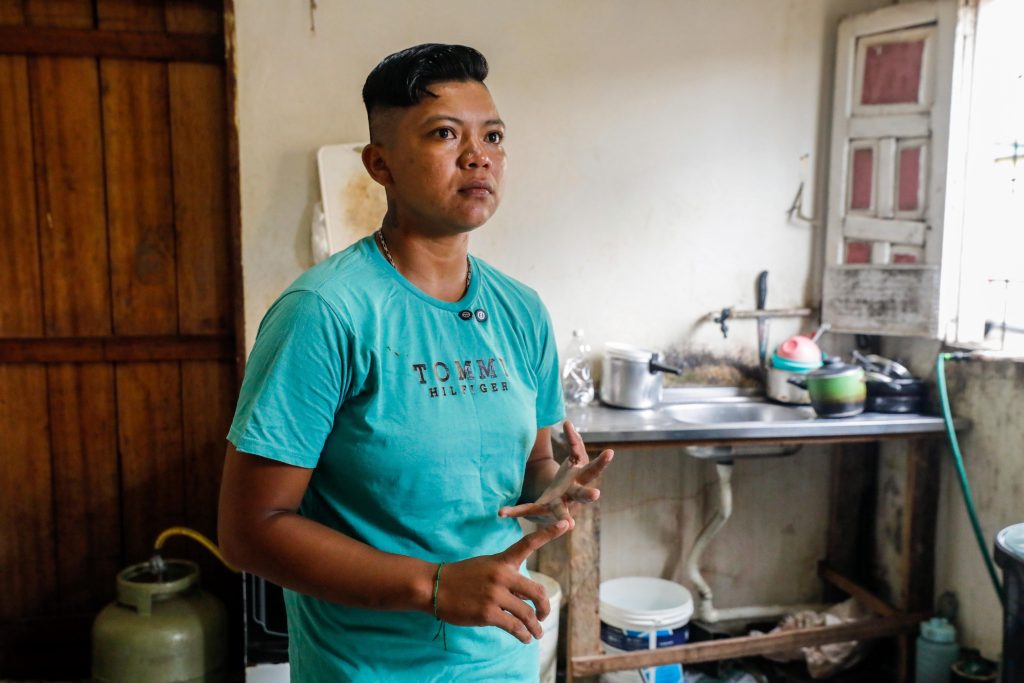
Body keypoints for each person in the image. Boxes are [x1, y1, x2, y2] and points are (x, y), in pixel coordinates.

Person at [218, 43, 614, 682]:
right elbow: (250, 531)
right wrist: (433, 585)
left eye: (492, 136)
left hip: (501, 659)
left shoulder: (521, 311)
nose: (477, 155)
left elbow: (532, 467)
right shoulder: (326, 312)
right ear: (379, 164)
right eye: (444, 134)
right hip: (368, 668)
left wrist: (552, 489)